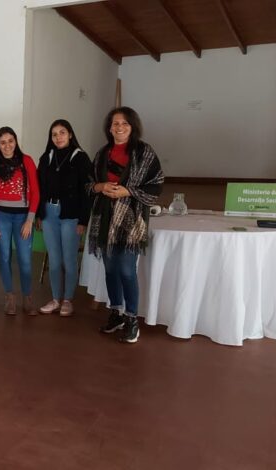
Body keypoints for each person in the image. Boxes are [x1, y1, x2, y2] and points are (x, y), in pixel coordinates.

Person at [89, 107, 163, 344]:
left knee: (126, 270)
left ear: (132, 127)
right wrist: (100, 187)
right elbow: (88, 184)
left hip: (131, 221)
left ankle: (132, 319)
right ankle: (116, 313)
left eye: (124, 123)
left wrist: (127, 191)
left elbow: (157, 184)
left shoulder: (144, 153)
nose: (119, 127)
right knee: (110, 269)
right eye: (115, 124)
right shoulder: (102, 154)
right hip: (104, 219)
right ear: (109, 128)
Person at [36, 120, 93, 317]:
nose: (58, 137)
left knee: (69, 260)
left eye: (62, 132)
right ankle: (55, 299)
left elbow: (87, 191)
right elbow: (39, 189)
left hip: (71, 215)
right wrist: (39, 214)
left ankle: (67, 300)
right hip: (49, 213)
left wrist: (83, 220)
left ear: (70, 134)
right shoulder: (46, 158)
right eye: (54, 134)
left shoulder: (81, 158)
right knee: (54, 259)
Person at [0, 127, 40, 315]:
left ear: (16, 142)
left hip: (23, 218)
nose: (7, 145)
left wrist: (30, 220)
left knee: (25, 259)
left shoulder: (27, 161)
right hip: (1, 216)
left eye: (10, 141)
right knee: (4, 256)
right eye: (3, 142)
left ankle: (28, 297)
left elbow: (36, 192)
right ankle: (9, 296)